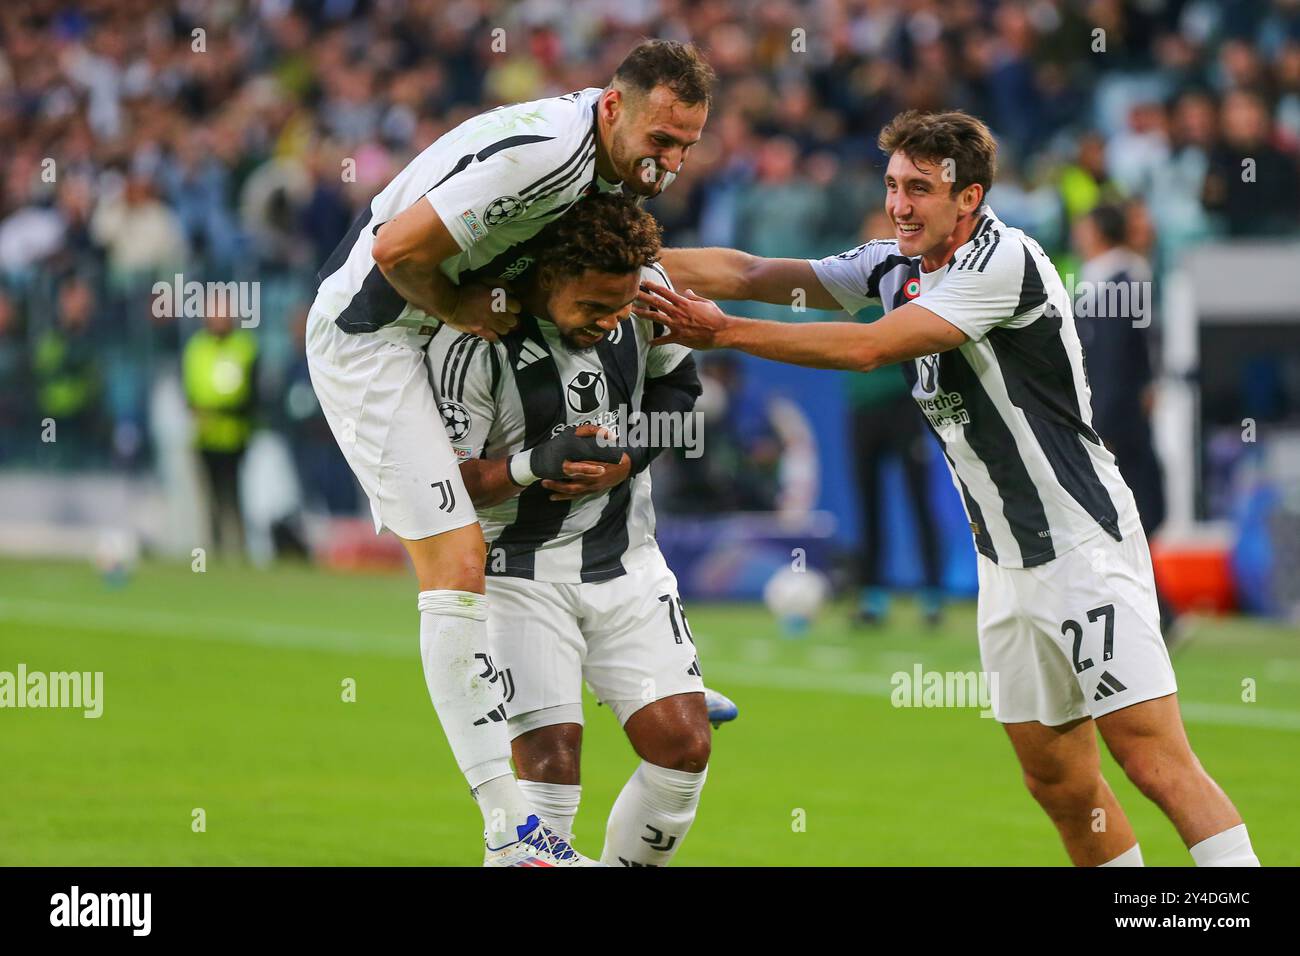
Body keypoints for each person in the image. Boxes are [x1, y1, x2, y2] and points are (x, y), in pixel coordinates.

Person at [647, 110, 1260, 867]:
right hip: (1004, 565)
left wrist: (723, 333)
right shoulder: (894, 265)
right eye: (892, 185)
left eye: (919, 189)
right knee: (1058, 782)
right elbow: (751, 274)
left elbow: (872, 346)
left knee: (1152, 761)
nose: (899, 204)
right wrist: (636, 255)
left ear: (967, 198)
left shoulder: (1003, 262)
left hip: (1078, 546)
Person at [306, 39, 713, 865]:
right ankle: (507, 821)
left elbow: (682, 375)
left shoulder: (603, 208)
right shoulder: (551, 164)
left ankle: (643, 675)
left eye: (686, 148)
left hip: (617, 559)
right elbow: (393, 252)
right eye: (660, 140)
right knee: (456, 561)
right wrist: (461, 305)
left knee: (673, 736)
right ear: (611, 107)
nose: (670, 164)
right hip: (375, 337)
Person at [430, 193, 710, 866]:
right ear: (547, 278)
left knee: (684, 748)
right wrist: (532, 465)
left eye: (621, 307)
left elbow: (680, 395)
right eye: (593, 309)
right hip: (515, 574)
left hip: (627, 559)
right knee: (550, 770)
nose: (613, 321)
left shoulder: (646, 293)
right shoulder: (471, 338)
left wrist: (626, 459)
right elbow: (441, 486)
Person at [182, 291, 258, 555]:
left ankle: (240, 550)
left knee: (235, 497)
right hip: (205, 437)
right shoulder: (196, 348)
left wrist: (221, 411)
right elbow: (189, 391)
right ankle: (214, 552)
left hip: (235, 436)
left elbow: (251, 393)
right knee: (210, 499)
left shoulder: (244, 346)